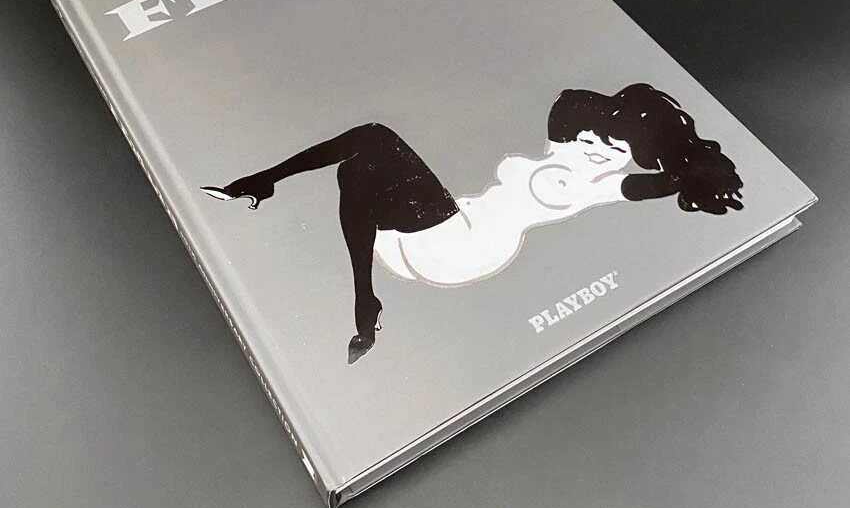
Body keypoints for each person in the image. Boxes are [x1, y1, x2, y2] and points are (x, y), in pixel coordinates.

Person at [202, 83, 743, 363]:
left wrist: (691, 173)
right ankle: (365, 303)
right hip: (421, 241)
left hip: (463, 246)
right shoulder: (562, 149)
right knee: (357, 170)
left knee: (375, 138)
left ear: (631, 159)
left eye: (615, 149)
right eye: (593, 137)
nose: (597, 150)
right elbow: (571, 109)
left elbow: (647, 185)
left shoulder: (595, 185)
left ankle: (265, 185)